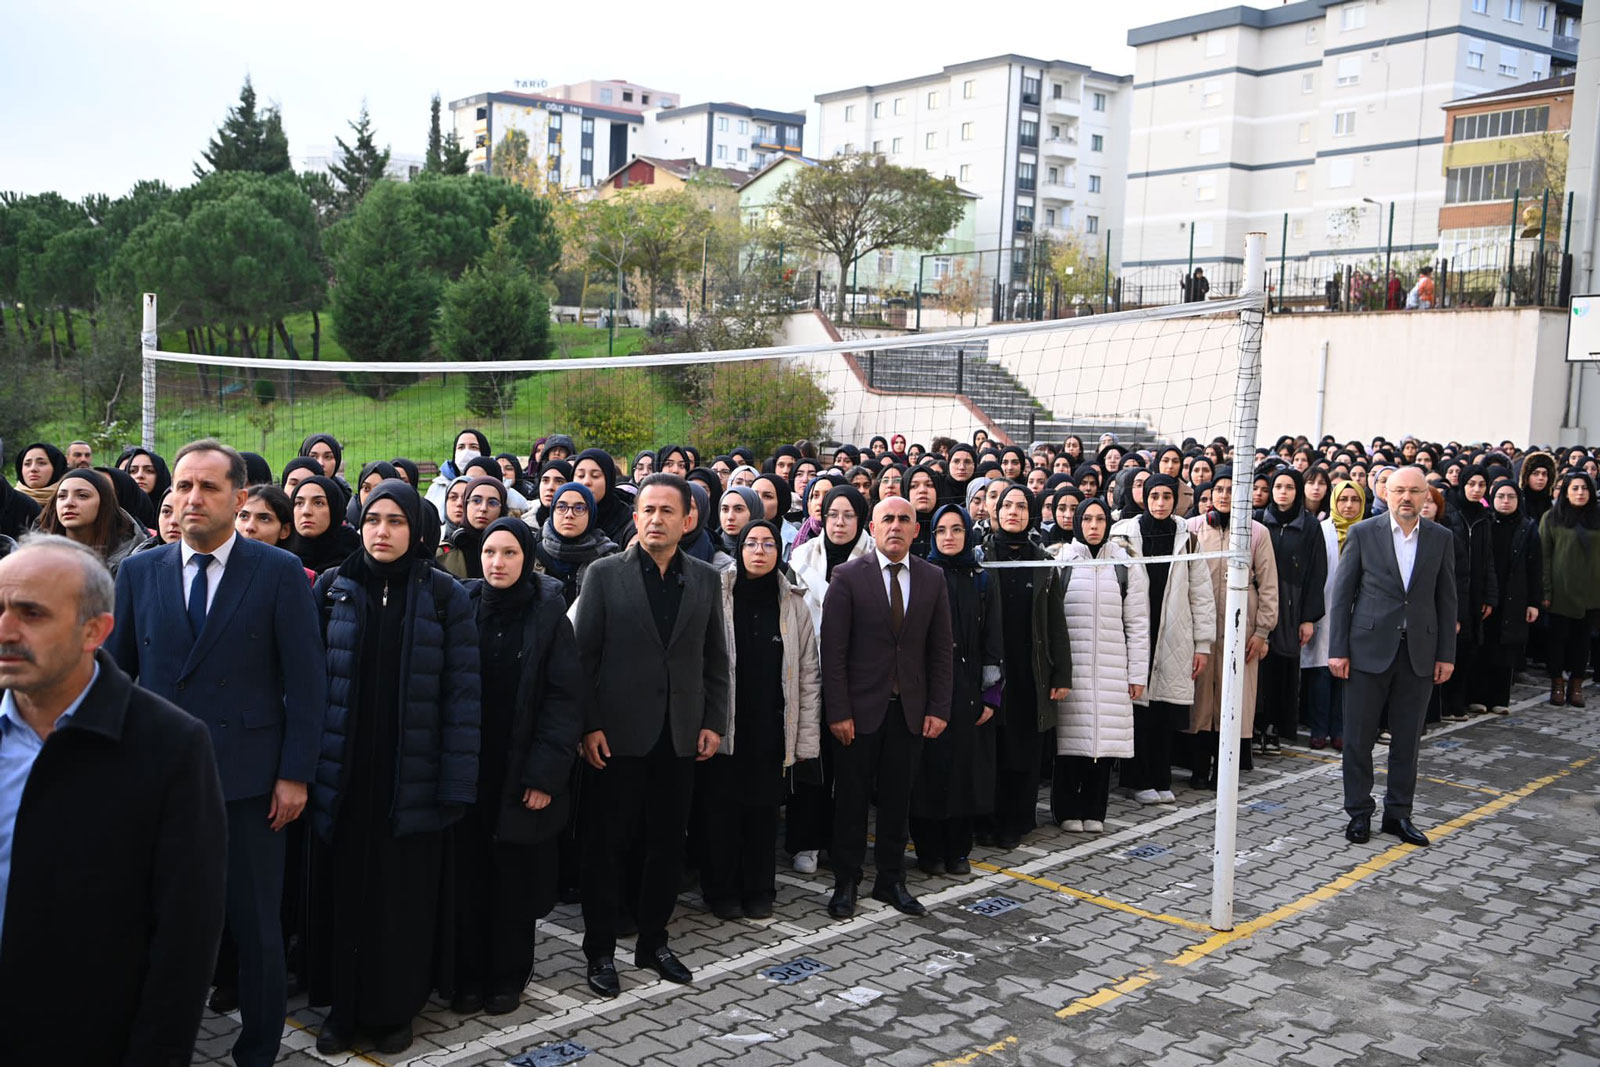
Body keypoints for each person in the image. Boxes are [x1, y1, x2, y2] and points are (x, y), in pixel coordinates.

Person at [110, 438, 326, 1067]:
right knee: (159, 922)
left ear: (239, 497)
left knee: (256, 927)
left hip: (251, 783)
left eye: (208, 487)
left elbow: (307, 683)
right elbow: (118, 678)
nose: (192, 498)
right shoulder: (139, 572)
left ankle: (257, 1047)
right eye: (182, 486)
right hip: (159, 783)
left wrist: (295, 775)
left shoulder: (278, 572)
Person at [0, 535, 228, 1066]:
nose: (6, 631)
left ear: (95, 631)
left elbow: (185, 941)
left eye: (31, 613)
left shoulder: (170, 747)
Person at [307, 479, 481, 1055]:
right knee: (346, 894)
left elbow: (462, 695)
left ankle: (393, 1010)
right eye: (374, 520)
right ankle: (343, 1009)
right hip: (347, 774)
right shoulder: (336, 587)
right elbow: (309, 687)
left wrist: (455, 783)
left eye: (396, 522)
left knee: (401, 901)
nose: (383, 532)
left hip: (414, 778)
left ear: (417, 530)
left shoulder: (445, 596)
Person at [571, 474, 729, 997]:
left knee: (667, 845)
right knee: (606, 846)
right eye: (647, 510)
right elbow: (582, 660)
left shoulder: (706, 579)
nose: (656, 519)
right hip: (616, 737)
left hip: (680, 736)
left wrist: (714, 722)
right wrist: (588, 725)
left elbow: (715, 660)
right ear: (634, 518)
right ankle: (599, 953)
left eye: (668, 511)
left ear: (688, 521)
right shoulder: (603, 575)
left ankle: (654, 942)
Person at [452, 517, 582, 1015]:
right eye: (489, 553)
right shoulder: (463, 606)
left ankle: (506, 975)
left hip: (519, 771)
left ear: (527, 558)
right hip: (469, 770)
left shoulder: (548, 615)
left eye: (508, 553)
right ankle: (466, 975)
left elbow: (563, 700)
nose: (497, 563)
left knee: (512, 879)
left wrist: (543, 776)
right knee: (468, 877)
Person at [820, 496, 954, 919]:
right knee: (852, 801)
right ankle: (846, 881)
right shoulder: (847, 576)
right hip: (859, 713)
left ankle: (890, 880)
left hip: (910, 710)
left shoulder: (933, 578)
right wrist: (838, 711)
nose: (895, 527)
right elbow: (833, 650)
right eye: (887, 520)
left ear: (917, 530)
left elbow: (940, 651)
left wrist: (939, 707)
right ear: (872, 529)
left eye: (904, 520)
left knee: (899, 799)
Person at [1329, 465, 1458, 848]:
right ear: (1385, 493)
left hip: (1419, 653)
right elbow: (1342, 596)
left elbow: (1446, 600)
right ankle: (1358, 813)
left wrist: (1446, 655)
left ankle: (1398, 815)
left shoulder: (1440, 538)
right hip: (1367, 651)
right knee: (1357, 739)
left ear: (1426, 497)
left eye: (1415, 491)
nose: (1406, 497)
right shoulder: (1363, 533)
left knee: (1407, 741)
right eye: (1399, 490)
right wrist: (1338, 649)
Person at [701, 519, 821, 919]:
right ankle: (721, 891)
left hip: (771, 729)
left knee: (763, 813)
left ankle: (759, 889)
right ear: (739, 548)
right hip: (725, 727)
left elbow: (808, 675)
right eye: (751, 543)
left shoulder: (793, 604)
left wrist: (805, 741)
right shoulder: (718, 596)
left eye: (768, 544)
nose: (759, 551)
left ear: (779, 551)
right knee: (721, 814)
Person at [1111, 474, 1215, 804]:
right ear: (1143, 496)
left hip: (1173, 634)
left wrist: (1202, 644)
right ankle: (1136, 779)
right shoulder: (1124, 533)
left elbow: (1201, 594)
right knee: (1138, 709)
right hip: (1136, 630)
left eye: (1166, 497)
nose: (1160, 503)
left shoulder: (1188, 538)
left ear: (1175, 500)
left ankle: (1160, 776)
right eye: (1154, 496)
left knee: (1163, 712)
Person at [910, 505, 1002, 875]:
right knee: (927, 773)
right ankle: (928, 851)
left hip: (967, 692)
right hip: (927, 689)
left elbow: (992, 639)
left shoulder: (980, 579)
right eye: (942, 530)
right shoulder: (919, 575)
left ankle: (958, 850)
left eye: (957, 529)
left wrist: (991, 694)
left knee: (964, 773)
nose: (949, 537)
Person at [983, 485, 1072, 847]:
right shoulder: (981, 555)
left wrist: (1061, 673)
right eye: (1007, 505)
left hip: (1031, 669)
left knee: (1023, 750)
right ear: (997, 511)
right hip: (992, 669)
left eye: (1022, 506)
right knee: (992, 749)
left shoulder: (1043, 562)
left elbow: (1056, 622)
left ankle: (1016, 822)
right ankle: (985, 818)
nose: (1014, 512)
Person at [1054, 498, 1149, 831]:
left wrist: (1137, 674)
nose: (1093, 525)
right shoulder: (1061, 561)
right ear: (1077, 522)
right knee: (1070, 743)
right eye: (1087, 519)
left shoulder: (1125, 565)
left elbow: (1138, 623)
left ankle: (1095, 810)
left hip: (1113, 668)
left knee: (1103, 745)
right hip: (1073, 668)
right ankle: (1066, 809)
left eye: (1099, 519)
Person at [1186, 468, 1278, 787]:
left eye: (1231, 489)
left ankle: (1224, 772)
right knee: (1201, 702)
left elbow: (1268, 585)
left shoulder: (1256, 533)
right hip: (1202, 629)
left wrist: (1262, 631)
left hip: (1241, 631)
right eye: (1219, 489)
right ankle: (1198, 769)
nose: (1224, 495)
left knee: (1232, 699)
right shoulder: (1193, 529)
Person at [1255, 467, 1327, 752]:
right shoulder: (1259, 521)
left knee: (1283, 669)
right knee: (1258, 669)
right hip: (1261, 603)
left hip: (1292, 606)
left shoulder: (1310, 526)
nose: (1283, 492)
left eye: (1289, 487)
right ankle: (1254, 726)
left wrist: (1308, 618)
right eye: (1278, 486)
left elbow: (1316, 573)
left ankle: (1274, 728)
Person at [1539, 471, 1600, 707]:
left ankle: (1576, 684)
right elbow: (1544, 556)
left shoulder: (1597, 517)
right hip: (1560, 589)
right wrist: (1545, 591)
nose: (1580, 493)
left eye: (1584, 488)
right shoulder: (1552, 517)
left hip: (1591, 591)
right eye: (1574, 488)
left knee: (1582, 641)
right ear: (1565, 492)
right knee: (1558, 640)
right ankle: (1557, 683)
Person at [1484, 479, 1540, 715]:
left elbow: (1535, 567)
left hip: (1514, 596)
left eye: (1511, 497)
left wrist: (1534, 602)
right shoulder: (1485, 524)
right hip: (1488, 594)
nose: (1505, 502)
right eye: (1500, 497)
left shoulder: (1527, 527)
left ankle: (1499, 699)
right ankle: (1478, 697)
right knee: (1484, 647)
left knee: (1505, 650)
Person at [36, 469, 146, 576]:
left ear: (104, 504)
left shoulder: (133, 561)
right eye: (62, 496)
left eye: (82, 495)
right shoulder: (34, 556)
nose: (68, 503)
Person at [533, 482, 618, 607]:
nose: (569, 515)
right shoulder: (531, 556)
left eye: (579, 508)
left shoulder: (607, 560)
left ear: (591, 514)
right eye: (561, 507)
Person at [287, 475, 361, 575]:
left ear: (334, 509)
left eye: (318, 503)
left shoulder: (357, 556)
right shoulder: (280, 553)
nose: (306, 511)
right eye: (299, 503)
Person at [13, 442, 67, 509]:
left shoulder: (69, 503)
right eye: (27, 464)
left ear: (57, 468)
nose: (33, 469)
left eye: (41, 463)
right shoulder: (8, 501)